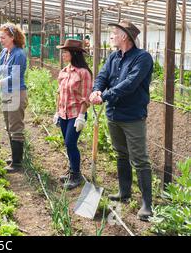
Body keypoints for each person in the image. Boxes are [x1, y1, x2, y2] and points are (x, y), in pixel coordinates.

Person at [89, 19, 154, 221]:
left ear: (125, 36)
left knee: (140, 159)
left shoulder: (142, 58)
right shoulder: (113, 58)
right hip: (114, 115)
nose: (111, 36)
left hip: (132, 116)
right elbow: (102, 76)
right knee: (121, 154)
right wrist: (97, 89)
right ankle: (124, 192)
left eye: (114, 33)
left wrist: (104, 97)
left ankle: (147, 204)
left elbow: (130, 84)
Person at [0, 23, 28, 172]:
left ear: (12, 37)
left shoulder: (19, 54)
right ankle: (14, 157)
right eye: (0, 38)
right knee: (9, 125)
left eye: (3, 37)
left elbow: (14, 77)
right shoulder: (5, 52)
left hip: (16, 93)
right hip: (6, 93)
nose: (0, 40)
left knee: (16, 127)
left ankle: (17, 163)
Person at [53, 39, 92, 189]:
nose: (63, 54)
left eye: (65, 52)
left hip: (76, 114)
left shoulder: (84, 73)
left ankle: (76, 175)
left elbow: (85, 97)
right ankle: (71, 171)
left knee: (71, 143)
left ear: (74, 53)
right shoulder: (64, 72)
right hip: (64, 113)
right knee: (67, 144)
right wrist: (57, 112)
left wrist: (82, 116)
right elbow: (59, 93)